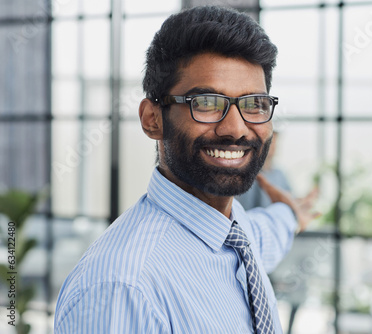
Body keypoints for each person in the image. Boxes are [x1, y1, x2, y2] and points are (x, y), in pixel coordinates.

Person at [54, 6, 315, 334]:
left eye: (253, 104)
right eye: (205, 103)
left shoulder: (236, 232)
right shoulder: (123, 288)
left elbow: (269, 233)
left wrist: (292, 215)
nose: (236, 128)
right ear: (152, 119)